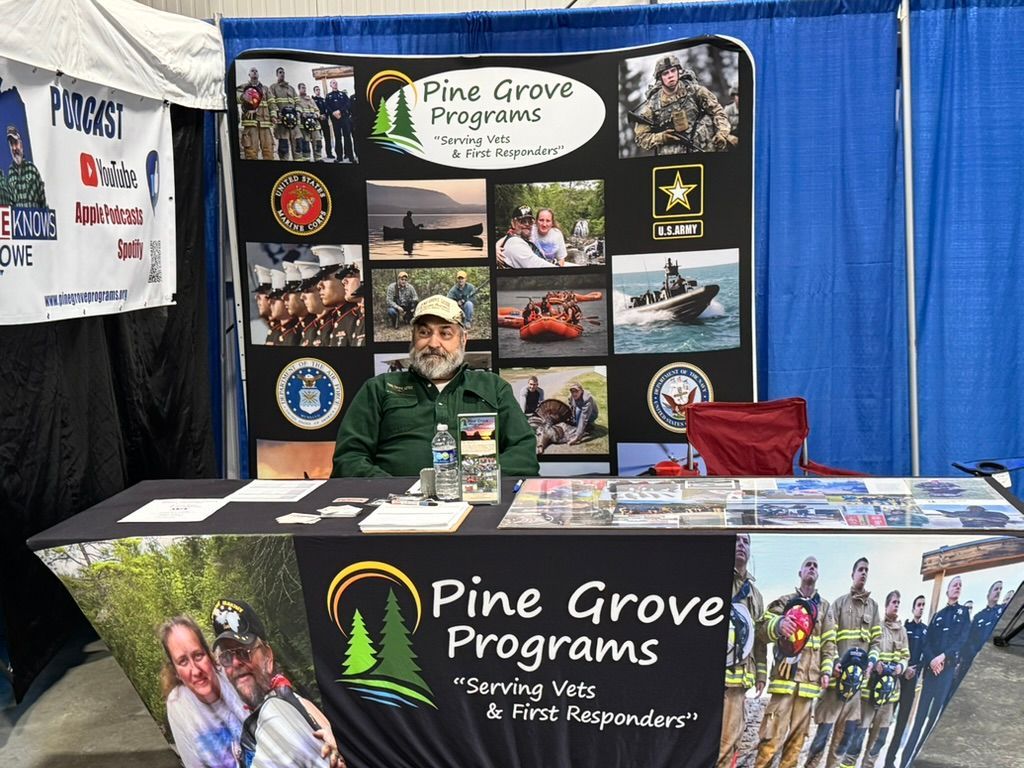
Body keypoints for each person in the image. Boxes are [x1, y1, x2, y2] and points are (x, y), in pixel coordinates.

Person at [331, 295, 539, 478]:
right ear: (413, 339)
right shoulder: (379, 388)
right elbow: (349, 458)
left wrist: (476, 481)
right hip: (396, 509)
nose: (433, 343)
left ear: (463, 340)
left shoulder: (493, 387)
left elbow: (523, 454)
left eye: (445, 333)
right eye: (424, 333)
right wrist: (392, 492)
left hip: (477, 503)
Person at [210, 598, 344, 768]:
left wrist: (341, 747)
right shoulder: (232, 723)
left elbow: (336, 752)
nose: (236, 663)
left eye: (243, 652)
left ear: (267, 656)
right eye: (227, 657)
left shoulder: (291, 704)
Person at [754, 555, 836, 768]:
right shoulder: (783, 602)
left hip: (808, 687)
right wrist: (779, 624)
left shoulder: (825, 609)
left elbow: (829, 644)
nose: (811, 568)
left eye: (815, 566)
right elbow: (761, 632)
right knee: (770, 741)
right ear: (800, 573)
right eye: (807, 565)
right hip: (783, 682)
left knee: (795, 747)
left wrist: (826, 671)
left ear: (817, 575)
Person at [805, 557, 881, 768]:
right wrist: (835, 663)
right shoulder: (838, 604)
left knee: (841, 743)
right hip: (834, 689)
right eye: (860, 569)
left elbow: (877, 641)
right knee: (821, 740)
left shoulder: (873, 609)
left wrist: (871, 662)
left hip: (855, 693)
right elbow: (828, 639)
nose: (863, 573)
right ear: (852, 573)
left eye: (867, 570)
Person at [899, 576, 970, 767]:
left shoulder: (963, 613)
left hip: (945, 674)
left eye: (960, 586)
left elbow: (963, 639)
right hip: (931, 674)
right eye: (954, 585)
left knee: (932, 723)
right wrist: (931, 660)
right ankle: (904, 761)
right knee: (919, 720)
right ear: (947, 590)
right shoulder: (938, 615)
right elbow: (927, 642)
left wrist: (943, 657)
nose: (957, 587)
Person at [160, 615, 247, 768]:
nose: (195, 670)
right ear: (176, 671)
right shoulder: (178, 705)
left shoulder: (233, 676)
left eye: (198, 655)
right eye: (183, 661)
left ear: (209, 654)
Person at [839, 590, 909, 768]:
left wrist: (900, 666)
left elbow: (905, 656)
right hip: (869, 693)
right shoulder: (877, 625)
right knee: (857, 737)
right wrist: (875, 662)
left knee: (878, 741)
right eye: (893, 602)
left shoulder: (902, 632)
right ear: (886, 605)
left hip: (889, 696)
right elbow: (867, 648)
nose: (896, 605)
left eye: (898, 602)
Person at [717, 533, 766, 768]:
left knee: (729, 743)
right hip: (710, 680)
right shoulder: (713, 577)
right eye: (737, 540)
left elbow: (758, 639)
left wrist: (761, 675)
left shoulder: (755, 594)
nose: (741, 545)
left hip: (738, 683)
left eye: (746, 541)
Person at [632, 55, 731, 155]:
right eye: (665, 73)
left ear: (678, 72)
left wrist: (722, 134)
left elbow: (718, 112)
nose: (670, 75)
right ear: (660, 78)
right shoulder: (652, 105)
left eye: (673, 71)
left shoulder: (695, 91)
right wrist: (662, 137)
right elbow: (641, 138)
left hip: (702, 149)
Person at [883, 594, 927, 768]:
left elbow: (926, 653)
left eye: (924, 605)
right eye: (918, 604)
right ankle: (875, 753)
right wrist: (904, 669)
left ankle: (889, 761)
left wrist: (916, 671)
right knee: (887, 718)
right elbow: (900, 651)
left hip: (911, 682)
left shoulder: (926, 630)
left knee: (901, 724)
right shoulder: (904, 627)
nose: (921, 607)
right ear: (913, 608)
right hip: (898, 678)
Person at [950, 580, 1004, 698]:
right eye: (996, 589)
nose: (999, 591)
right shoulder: (979, 616)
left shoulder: (1003, 611)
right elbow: (970, 640)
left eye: (1000, 589)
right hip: (974, 661)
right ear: (988, 595)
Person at [237, 68, 274, 160]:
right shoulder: (243, 87)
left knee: (268, 150)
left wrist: (273, 115)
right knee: (251, 151)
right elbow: (237, 97)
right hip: (250, 122)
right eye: (252, 71)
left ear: (258, 74)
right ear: (249, 74)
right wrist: (245, 96)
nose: (254, 72)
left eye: (256, 71)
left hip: (264, 122)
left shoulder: (265, 89)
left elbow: (271, 103)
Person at [6, 126, 46, 207]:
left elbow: (43, 201)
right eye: (11, 144)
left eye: (16, 143)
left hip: (34, 218)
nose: (14, 148)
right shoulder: (10, 173)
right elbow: (10, 205)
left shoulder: (32, 169)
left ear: (21, 144)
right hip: (18, 219)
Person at [294, 261, 331, 346]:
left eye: (307, 291)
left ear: (320, 289)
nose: (301, 297)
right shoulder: (309, 329)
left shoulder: (333, 323)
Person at [268, 67, 301, 161]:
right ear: (277, 74)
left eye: (283, 72)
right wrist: (277, 113)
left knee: (298, 146)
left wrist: (298, 112)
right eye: (280, 72)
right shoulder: (273, 87)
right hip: (282, 123)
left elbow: (298, 102)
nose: (282, 74)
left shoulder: (291, 89)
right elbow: (272, 102)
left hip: (294, 123)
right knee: (284, 148)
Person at [325, 81, 354, 163]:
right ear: (330, 85)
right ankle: (339, 157)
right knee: (338, 138)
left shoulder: (343, 94)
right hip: (335, 119)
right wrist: (333, 113)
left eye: (336, 83)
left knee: (347, 137)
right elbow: (327, 106)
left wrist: (340, 111)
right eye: (333, 83)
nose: (335, 84)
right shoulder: (328, 96)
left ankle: (351, 157)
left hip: (344, 118)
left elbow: (348, 104)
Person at [296, 83, 324, 161]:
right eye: (302, 88)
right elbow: (297, 110)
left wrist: (316, 114)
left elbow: (317, 110)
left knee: (318, 142)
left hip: (314, 124)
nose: (304, 89)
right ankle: (306, 159)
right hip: (304, 126)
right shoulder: (297, 100)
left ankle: (318, 159)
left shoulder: (311, 99)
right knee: (305, 143)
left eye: (305, 87)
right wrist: (302, 114)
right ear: (299, 89)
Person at [312, 85, 334, 159]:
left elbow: (327, 109)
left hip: (325, 121)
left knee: (327, 138)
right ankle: (319, 155)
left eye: (319, 90)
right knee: (318, 139)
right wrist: (319, 116)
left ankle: (329, 153)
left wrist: (325, 115)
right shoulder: (313, 100)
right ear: (314, 91)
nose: (318, 91)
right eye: (316, 90)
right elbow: (313, 110)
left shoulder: (323, 100)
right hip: (317, 122)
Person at [724, 82, 740, 147]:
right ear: (733, 97)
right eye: (738, 95)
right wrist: (728, 136)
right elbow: (721, 128)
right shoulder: (728, 110)